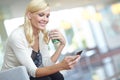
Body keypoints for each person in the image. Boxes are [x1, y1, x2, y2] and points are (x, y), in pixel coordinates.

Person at [1, 0, 80, 80]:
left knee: (58, 76)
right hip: (14, 77)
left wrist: (62, 45)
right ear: (29, 15)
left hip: (30, 74)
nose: (45, 19)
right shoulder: (17, 37)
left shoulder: (41, 34)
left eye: (47, 16)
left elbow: (46, 64)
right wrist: (61, 66)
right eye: (41, 15)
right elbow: (34, 72)